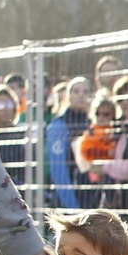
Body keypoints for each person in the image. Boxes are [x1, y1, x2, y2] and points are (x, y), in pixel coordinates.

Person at [47, 76, 92, 211]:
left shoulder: (93, 123)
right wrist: (73, 208)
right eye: (76, 91)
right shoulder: (59, 126)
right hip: (69, 202)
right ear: (68, 96)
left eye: (86, 92)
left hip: (92, 199)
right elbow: (59, 171)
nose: (81, 95)